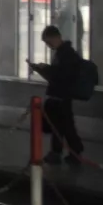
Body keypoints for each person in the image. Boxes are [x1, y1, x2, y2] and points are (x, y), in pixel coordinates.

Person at [29, 25, 85, 166]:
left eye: (48, 42)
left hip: (61, 95)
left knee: (64, 126)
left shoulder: (66, 54)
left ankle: (71, 152)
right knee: (60, 126)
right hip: (59, 95)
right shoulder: (63, 52)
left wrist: (47, 70)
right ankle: (60, 152)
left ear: (56, 38)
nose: (48, 46)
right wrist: (46, 68)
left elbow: (62, 75)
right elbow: (59, 72)